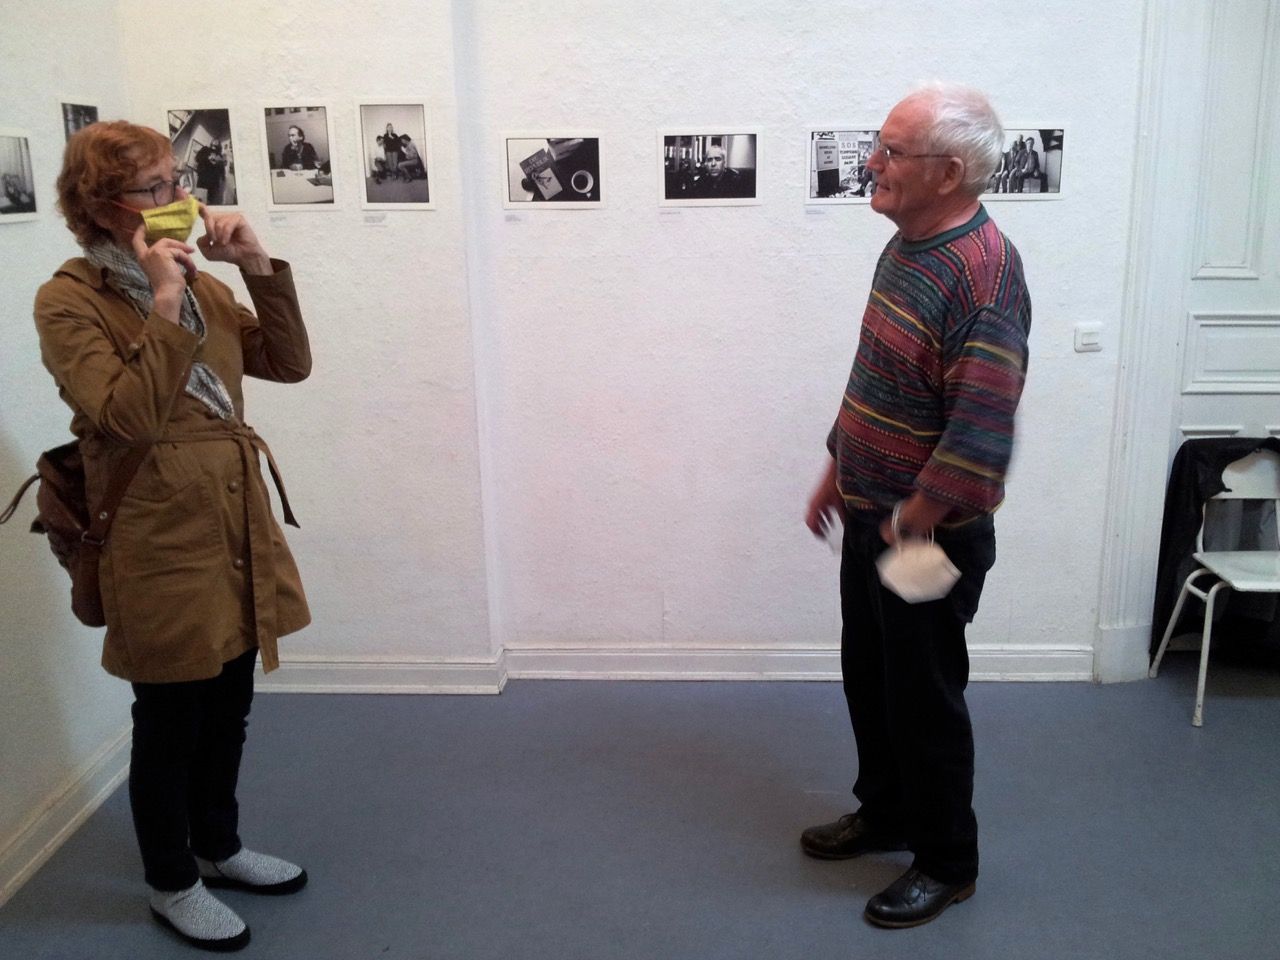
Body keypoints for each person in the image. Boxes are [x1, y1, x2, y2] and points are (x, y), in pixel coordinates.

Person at [35, 120, 312, 952]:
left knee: (229, 706)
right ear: (104, 207)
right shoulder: (69, 300)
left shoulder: (204, 286)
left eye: (175, 180)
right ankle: (171, 880)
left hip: (231, 519)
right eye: (155, 188)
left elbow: (288, 363)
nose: (178, 199)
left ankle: (217, 846)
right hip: (155, 536)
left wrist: (254, 264)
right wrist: (161, 302)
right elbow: (126, 417)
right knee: (168, 721)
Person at [801, 83, 1031, 929]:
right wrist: (837, 467)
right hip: (876, 516)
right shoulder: (906, 248)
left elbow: (981, 427)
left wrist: (915, 519)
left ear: (948, 172)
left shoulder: (985, 276)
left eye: (892, 151)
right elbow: (874, 374)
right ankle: (887, 812)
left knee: (925, 697)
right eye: (879, 145)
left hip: (925, 536)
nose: (873, 163)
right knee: (872, 678)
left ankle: (946, 861)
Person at [194, 139, 227, 205]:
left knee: (209, 203)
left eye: (217, 141)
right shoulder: (205, 149)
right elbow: (197, 158)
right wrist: (207, 158)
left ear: (219, 145)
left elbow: (222, 171)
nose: (216, 141)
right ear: (211, 142)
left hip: (213, 183)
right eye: (214, 140)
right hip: (203, 179)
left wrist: (220, 162)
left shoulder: (220, 155)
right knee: (199, 200)